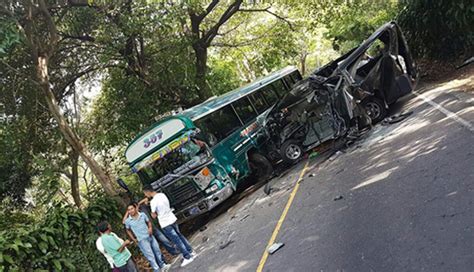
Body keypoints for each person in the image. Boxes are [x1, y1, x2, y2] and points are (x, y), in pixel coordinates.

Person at [143, 185, 196, 267]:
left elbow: (153, 215)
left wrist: (150, 207)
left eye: (145, 193)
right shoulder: (162, 195)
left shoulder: (153, 202)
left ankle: (187, 256)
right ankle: (191, 251)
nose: (146, 195)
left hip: (165, 223)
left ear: (148, 192)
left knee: (176, 240)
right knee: (179, 235)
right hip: (172, 218)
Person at [123, 202, 170, 272]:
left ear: (135, 208)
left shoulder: (142, 215)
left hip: (150, 236)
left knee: (157, 251)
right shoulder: (128, 221)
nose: (130, 211)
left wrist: (150, 228)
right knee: (150, 256)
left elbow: (148, 222)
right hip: (142, 240)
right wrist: (133, 239)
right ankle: (157, 269)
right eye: (129, 210)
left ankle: (162, 265)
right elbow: (128, 230)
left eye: (132, 209)